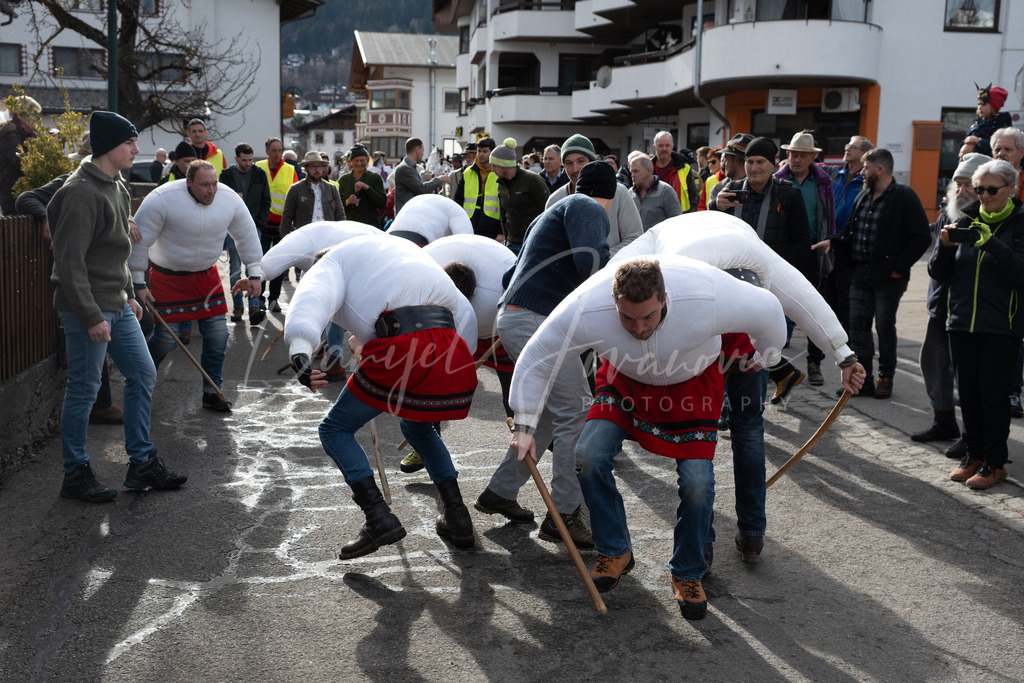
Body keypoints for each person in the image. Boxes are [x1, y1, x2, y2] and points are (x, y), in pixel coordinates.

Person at [508, 258, 786, 619]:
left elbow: (775, 307)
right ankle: (615, 549)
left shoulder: (709, 293)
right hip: (625, 382)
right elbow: (538, 355)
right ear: (613, 303)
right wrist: (525, 424)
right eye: (627, 318)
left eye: (649, 317)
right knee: (587, 455)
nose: (639, 328)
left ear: (666, 298)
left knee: (698, 484)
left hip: (691, 390)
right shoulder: (589, 305)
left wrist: (827, 353)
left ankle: (687, 572)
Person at [612, 213, 865, 565]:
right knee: (748, 427)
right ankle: (752, 533)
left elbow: (610, 281)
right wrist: (843, 354)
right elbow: (802, 298)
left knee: (700, 432)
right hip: (747, 325)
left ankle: (705, 539)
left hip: (709, 329)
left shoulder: (662, 242)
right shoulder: (751, 246)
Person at [284, 233, 479, 557]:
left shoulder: (333, 264)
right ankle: (458, 516)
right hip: (451, 345)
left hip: (403, 346)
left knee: (334, 429)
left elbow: (312, 297)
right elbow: (459, 310)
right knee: (417, 426)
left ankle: (378, 517)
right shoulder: (397, 252)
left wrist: (300, 352)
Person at [48, 110, 187, 502]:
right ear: (109, 146)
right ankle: (75, 473)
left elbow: (116, 252)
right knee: (85, 389)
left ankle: (141, 463)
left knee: (142, 373)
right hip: (84, 307)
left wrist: (129, 292)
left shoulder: (116, 185)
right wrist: (92, 316)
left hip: (117, 302)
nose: (136, 149)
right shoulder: (80, 192)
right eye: (129, 143)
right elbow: (69, 263)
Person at [476, 161, 616, 548]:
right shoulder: (588, 207)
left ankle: (501, 492)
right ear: (612, 194)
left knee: (555, 412)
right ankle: (565, 514)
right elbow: (590, 264)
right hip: (535, 319)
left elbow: (511, 272)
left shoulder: (550, 214)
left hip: (520, 316)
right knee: (577, 407)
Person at [132, 160, 263, 411]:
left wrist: (254, 273)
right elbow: (140, 239)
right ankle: (140, 384)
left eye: (214, 184)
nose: (211, 190)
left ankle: (211, 392)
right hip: (167, 278)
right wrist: (138, 281)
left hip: (206, 277)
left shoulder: (228, 199)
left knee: (218, 335)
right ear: (188, 182)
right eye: (204, 185)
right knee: (165, 341)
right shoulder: (162, 198)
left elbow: (246, 234)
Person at [930, 159, 1024, 489]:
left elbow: (1019, 273)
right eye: (979, 188)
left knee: (993, 397)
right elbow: (938, 273)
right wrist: (944, 248)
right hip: (961, 322)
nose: (983, 195)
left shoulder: (1019, 222)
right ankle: (974, 456)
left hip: (1002, 325)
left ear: (1011, 187)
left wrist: (991, 243)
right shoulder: (966, 217)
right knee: (968, 394)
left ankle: (996, 463)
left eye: (991, 189)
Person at [814, 148, 930, 399]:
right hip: (861, 274)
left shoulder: (904, 196)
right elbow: (851, 232)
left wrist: (899, 268)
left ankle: (885, 378)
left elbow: (921, 237)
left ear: (880, 169)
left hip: (889, 278)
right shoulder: (864, 196)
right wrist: (834, 242)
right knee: (857, 328)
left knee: (885, 328)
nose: (862, 172)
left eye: (866, 168)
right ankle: (862, 380)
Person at [912, 154, 988, 446]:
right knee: (932, 365)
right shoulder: (947, 213)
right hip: (940, 305)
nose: (961, 190)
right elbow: (935, 263)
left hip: (971, 311)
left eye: (968, 184)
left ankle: (973, 436)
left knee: (968, 377)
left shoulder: (989, 217)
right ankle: (943, 422)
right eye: (957, 183)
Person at [775, 131, 836, 386]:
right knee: (776, 308)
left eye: (802, 155)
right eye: (793, 154)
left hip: (813, 251)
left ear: (812, 157)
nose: (796, 159)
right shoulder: (777, 180)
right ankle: (775, 364)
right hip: (783, 252)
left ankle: (814, 363)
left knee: (812, 309)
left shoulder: (822, 182)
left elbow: (829, 216)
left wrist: (830, 244)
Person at [546, 133, 642, 255]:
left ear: (592, 161)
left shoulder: (619, 192)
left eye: (581, 161)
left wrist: (601, 260)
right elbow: (551, 247)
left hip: (612, 271)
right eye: (569, 163)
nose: (575, 169)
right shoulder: (555, 201)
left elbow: (635, 238)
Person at [990, 127, 1024, 417]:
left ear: (1021, 153)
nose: (1001, 154)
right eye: (997, 149)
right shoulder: (984, 177)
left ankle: (1013, 391)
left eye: (1007, 149)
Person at [219, 142, 271, 325]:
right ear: (236, 159)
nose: (248, 163)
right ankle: (238, 306)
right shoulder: (226, 175)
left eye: (250, 159)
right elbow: (219, 200)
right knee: (235, 267)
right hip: (232, 227)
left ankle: (254, 306)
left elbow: (266, 201)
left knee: (254, 267)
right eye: (244, 160)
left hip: (254, 227)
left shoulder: (259, 174)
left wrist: (259, 225)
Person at [828, 135, 873, 338]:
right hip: (828, 243)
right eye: (847, 145)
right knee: (827, 297)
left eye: (853, 147)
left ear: (864, 154)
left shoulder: (867, 181)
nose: (847, 149)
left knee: (846, 297)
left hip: (850, 248)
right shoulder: (834, 174)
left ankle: (845, 338)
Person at [256, 137, 299, 313]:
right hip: (262, 224)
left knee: (278, 264)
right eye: (273, 150)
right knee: (260, 263)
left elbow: (295, 196)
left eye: (279, 150)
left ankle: (274, 299)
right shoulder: (258, 167)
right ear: (267, 151)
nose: (277, 154)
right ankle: (258, 299)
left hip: (282, 225)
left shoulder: (290, 170)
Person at [490, 137, 549, 254]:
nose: (492, 170)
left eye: (494, 165)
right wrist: (506, 239)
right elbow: (503, 216)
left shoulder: (532, 180)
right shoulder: (500, 184)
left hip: (533, 244)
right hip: (511, 244)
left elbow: (548, 211)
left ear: (504, 164)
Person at [280, 151, 346, 238]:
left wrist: (341, 237)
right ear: (306, 168)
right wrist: (285, 241)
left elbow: (340, 215)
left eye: (319, 166)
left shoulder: (332, 188)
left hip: (327, 236)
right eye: (312, 166)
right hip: (304, 237)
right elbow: (286, 218)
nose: (316, 169)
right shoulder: (295, 189)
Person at [454, 137, 502, 241]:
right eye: (479, 151)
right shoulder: (467, 173)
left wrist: (501, 232)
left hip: (491, 228)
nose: (481, 154)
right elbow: (458, 201)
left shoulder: (499, 173)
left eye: (485, 151)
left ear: (492, 152)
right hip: (469, 225)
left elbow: (505, 206)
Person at [0, 95, 40, 214]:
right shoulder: (10, 131)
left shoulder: (27, 133)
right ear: (21, 113)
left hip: (23, 189)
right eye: (33, 113)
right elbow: (18, 159)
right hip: (13, 190)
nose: (36, 118)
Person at [386, 193, 473, 245]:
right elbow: (466, 244)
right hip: (418, 242)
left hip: (390, 239)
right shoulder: (456, 210)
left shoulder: (419, 200)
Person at [627, 150, 682, 231]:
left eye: (636, 171)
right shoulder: (630, 193)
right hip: (635, 242)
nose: (632, 175)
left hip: (659, 241)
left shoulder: (666, 191)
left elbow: (676, 222)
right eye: (631, 172)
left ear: (648, 170)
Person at [393, 137, 449, 214]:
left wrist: (422, 179)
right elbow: (421, 189)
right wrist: (440, 179)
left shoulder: (411, 168)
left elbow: (414, 187)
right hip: (407, 217)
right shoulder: (404, 168)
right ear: (417, 150)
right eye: (422, 150)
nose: (423, 154)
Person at [338, 144, 387, 228]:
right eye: (356, 161)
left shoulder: (375, 178)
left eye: (362, 160)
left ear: (367, 160)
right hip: (350, 226)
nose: (359, 164)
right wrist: (348, 201)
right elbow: (336, 206)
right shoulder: (343, 179)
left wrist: (367, 188)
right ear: (351, 161)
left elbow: (382, 202)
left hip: (371, 226)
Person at [650, 130, 699, 213]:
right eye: (660, 146)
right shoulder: (648, 168)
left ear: (672, 147)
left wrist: (687, 216)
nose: (664, 149)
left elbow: (694, 198)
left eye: (667, 145)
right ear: (654, 147)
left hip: (679, 219)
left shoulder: (684, 168)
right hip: (654, 219)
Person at [962, 83, 1012, 157]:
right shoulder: (976, 124)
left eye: (983, 104)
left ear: (993, 106)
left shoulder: (1002, 123)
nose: (980, 107)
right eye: (978, 104)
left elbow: (1000, 147)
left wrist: (978, 141)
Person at [707, 133, 754, 210]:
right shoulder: (719, 189)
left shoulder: (759, 187)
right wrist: (715, 206)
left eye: (726, 159)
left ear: (737, 160)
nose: (723, 164)